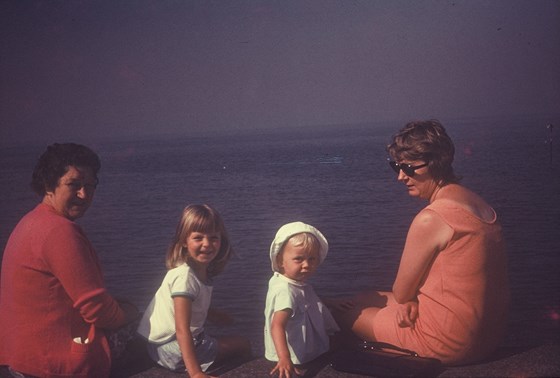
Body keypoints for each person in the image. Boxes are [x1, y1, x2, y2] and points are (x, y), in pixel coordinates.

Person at [333, 120, 510, 365]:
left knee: (346, 313)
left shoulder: (432, 218)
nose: (401, 177)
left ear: (437, 163)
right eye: (395, 166)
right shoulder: (480, 205)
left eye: (409, 167)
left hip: (448, 344)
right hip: (488, 340)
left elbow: (401, 291)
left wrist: (409, 298)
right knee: (366, 296)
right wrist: (411, 300)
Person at [0, 143, 139, 377]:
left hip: (22, 356)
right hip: (53, 363)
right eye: (74, 185)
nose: (84, 195)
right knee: (153, 330)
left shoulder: (31, 222)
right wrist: (132, 313)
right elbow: (97, 311)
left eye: (90, 185)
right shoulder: (59, 232)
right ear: (48, 185)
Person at [137, 204, 251, 377]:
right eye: (198, 238)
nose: (207, 244)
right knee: (243, 344)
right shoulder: (185, 278)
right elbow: (182, 329)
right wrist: (196, 373)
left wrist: (212, 314)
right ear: (184, 241)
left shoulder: (192, 271)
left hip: (158, 346)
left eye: (213, 238)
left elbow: (185, 307)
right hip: (172, 350)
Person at [264, 222, 340, 378]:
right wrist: (284, 358)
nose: (306, 265)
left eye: (312, 259)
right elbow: (277, 325)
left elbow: (306, 298)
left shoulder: (290, 281)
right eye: (298, 259)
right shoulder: (285, 291)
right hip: (295, 354)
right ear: (280, 261)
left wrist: (331, 302)